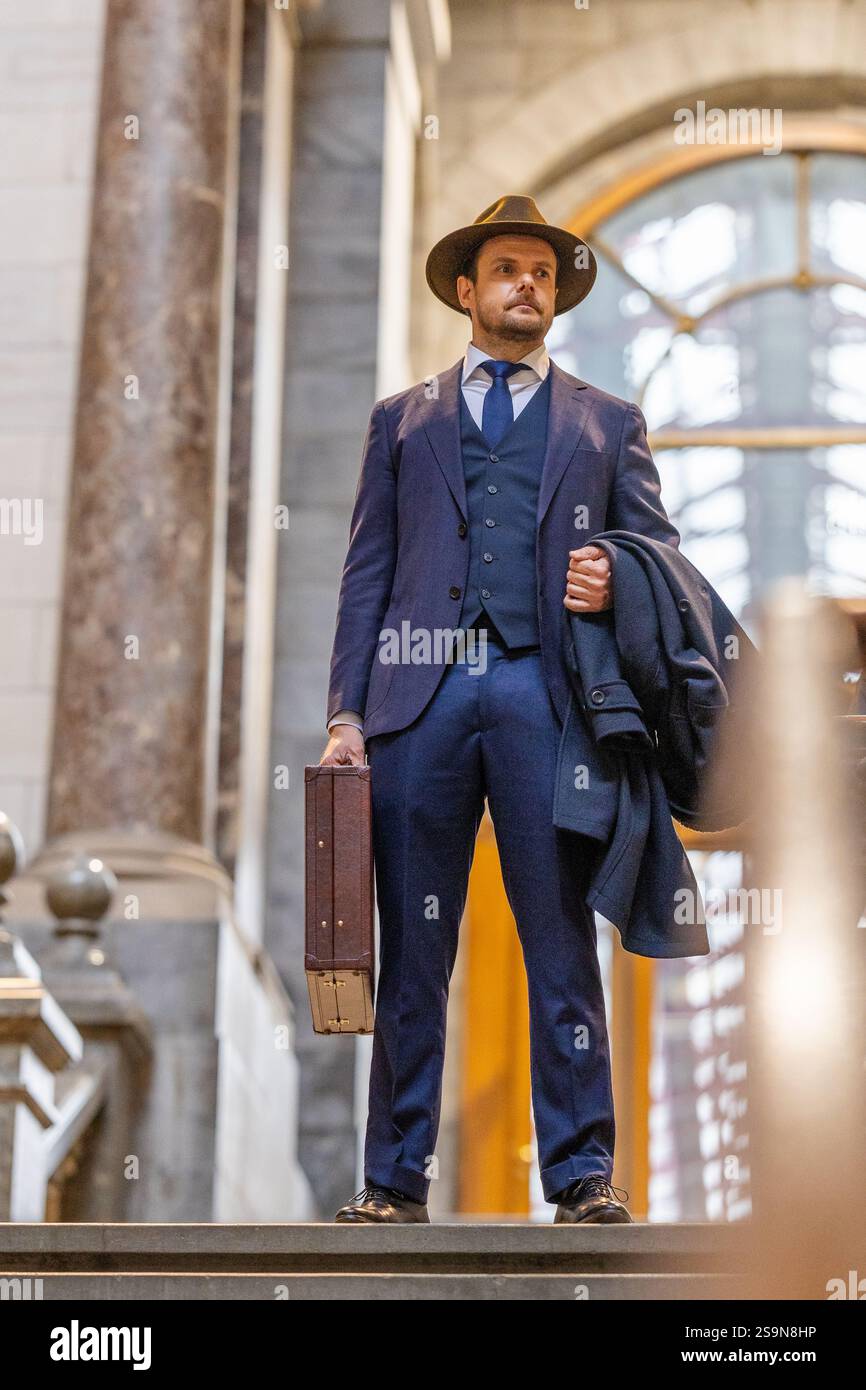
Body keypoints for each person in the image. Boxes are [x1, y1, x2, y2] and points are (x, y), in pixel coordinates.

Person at [320, 195, 681, 1223]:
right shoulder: (401, 420)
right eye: (508, 270)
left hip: (548, 700)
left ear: (555, 298)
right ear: (467, 292)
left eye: (543, 272)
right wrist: (346, 713)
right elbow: (366, 573)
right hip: (415, 699)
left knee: (558, 940)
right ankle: (392, 1181)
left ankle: (578, 1178)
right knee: (413, 949)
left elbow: (655, 555)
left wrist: (613, 572)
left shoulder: (607, 423)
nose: (529, 283)